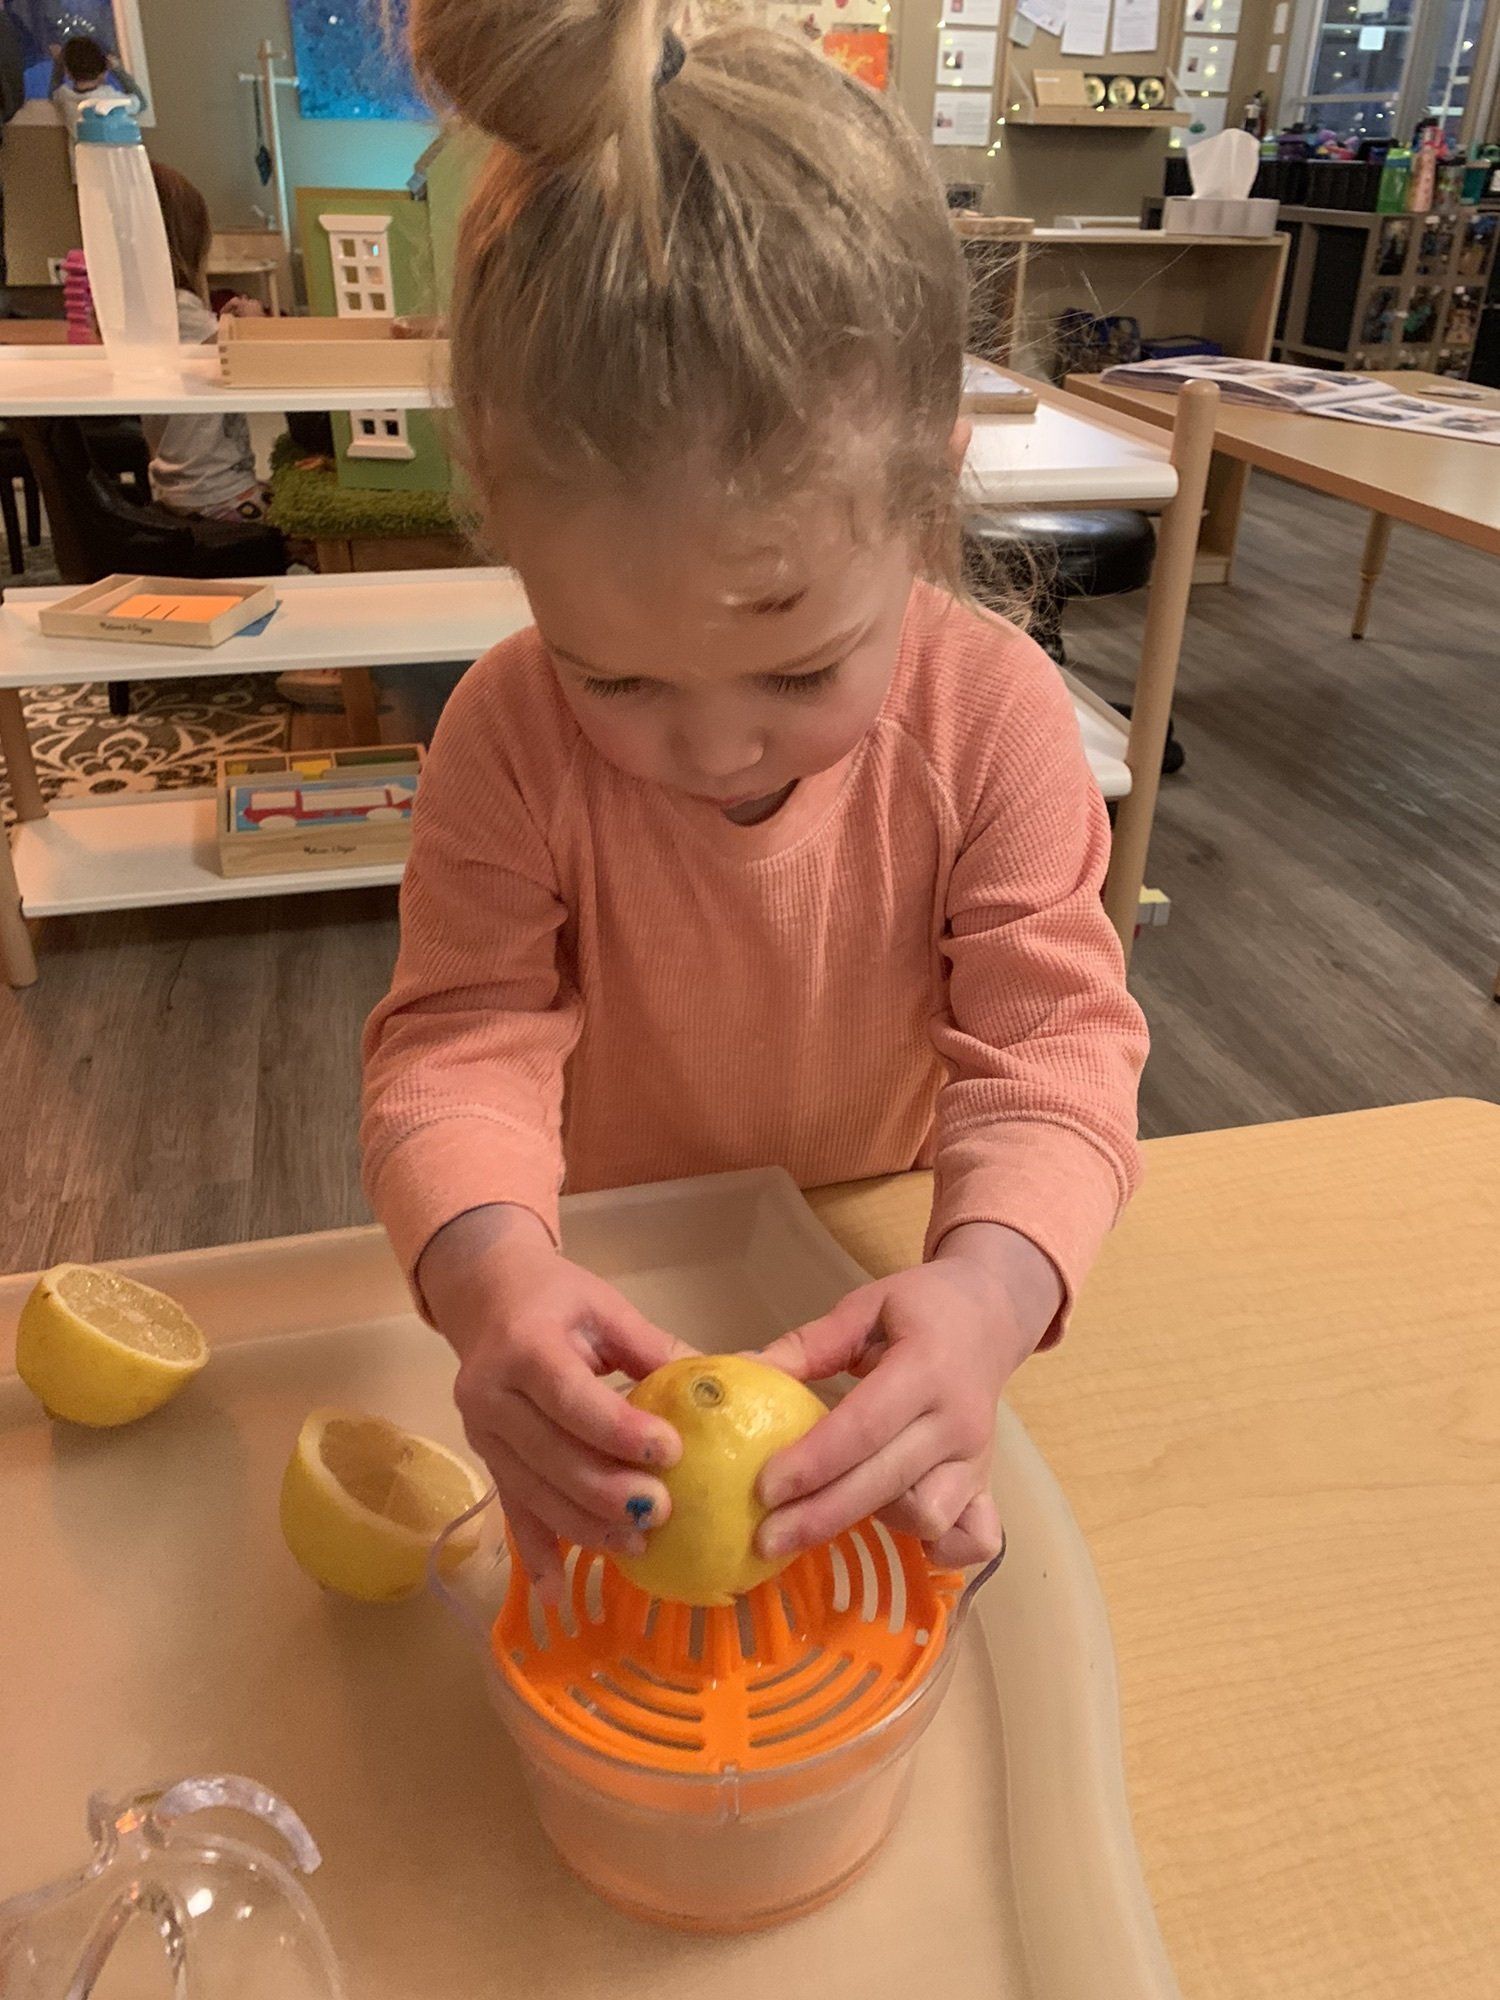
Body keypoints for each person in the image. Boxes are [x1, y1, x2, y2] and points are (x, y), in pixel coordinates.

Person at [361, 0, 1147, 1599]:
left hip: (887, 1264)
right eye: (616, 676)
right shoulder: (506, 735)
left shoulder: (991, 718)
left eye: (797, 673)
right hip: (623, 1277)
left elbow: (1052, 1051)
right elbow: (461, 1040)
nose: (713, 749)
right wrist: (488, 1271)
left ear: (928, 494)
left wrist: (988, 1297)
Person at [140, 162, 273, 524]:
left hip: (182, 485)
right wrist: (254, 325)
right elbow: (249, 366)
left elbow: (209, 347)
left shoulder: (149, 308)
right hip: (215, 490)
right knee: (304, 526)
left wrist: (227, 323)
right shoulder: (180, 307)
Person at [49, 32, 146, 146]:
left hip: (83, 162)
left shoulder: (64, 96)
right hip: (118, 161)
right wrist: (118, 70)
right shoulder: (111, 97)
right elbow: (141, 103)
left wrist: (58, 63)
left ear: (68, 73)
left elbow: (53, 90)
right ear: (103, 73)